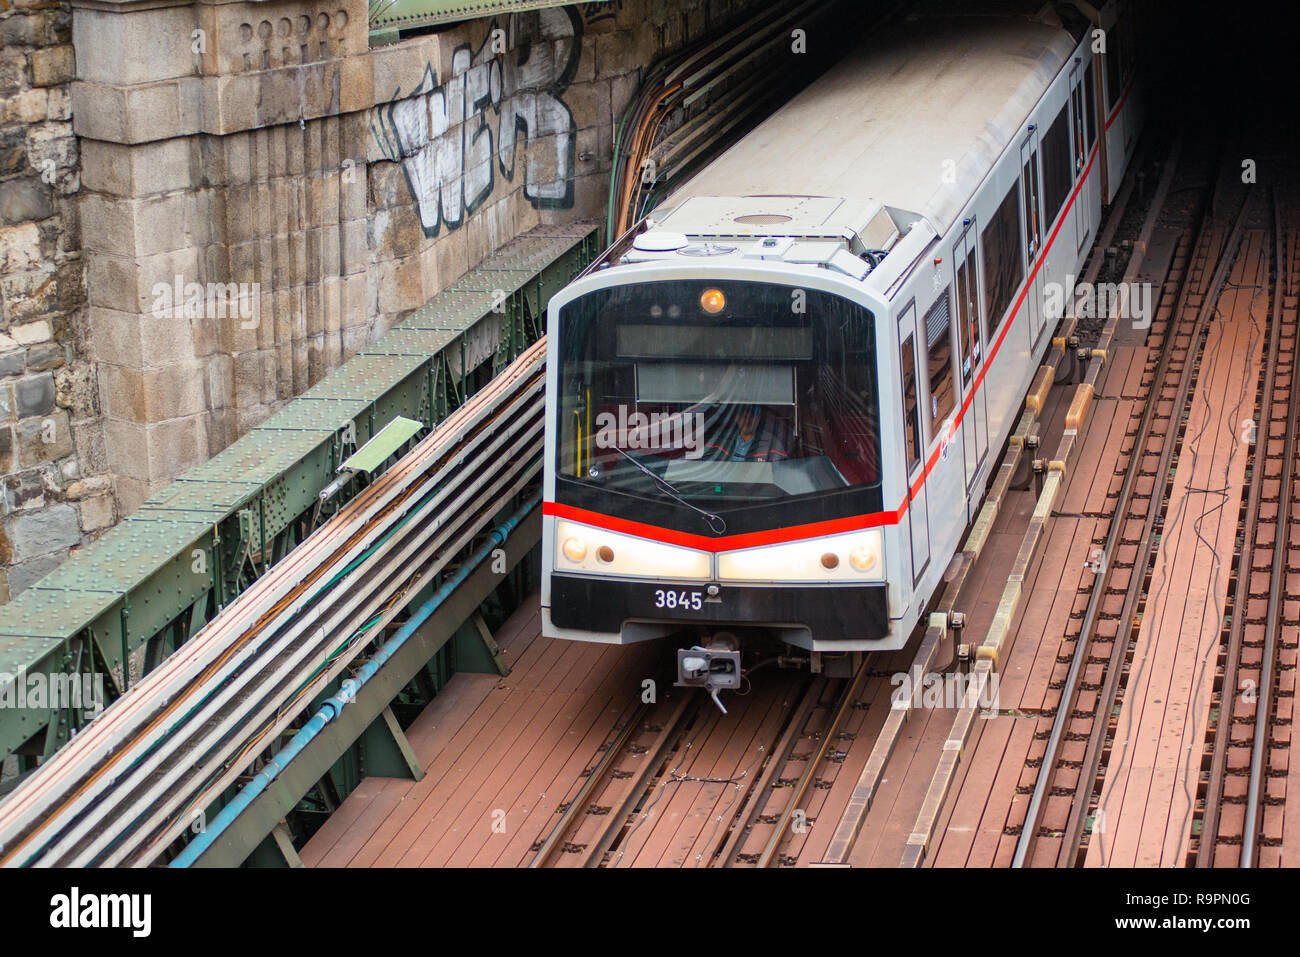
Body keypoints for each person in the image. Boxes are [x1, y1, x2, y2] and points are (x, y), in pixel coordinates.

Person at [706, 405, 788, 462]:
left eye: (752, 417)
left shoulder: (772, 445)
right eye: (744, 416)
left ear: (758, 419)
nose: (747, 421)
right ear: (737, 418)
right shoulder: (720, 439)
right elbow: (705, 465)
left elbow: (781, 472)